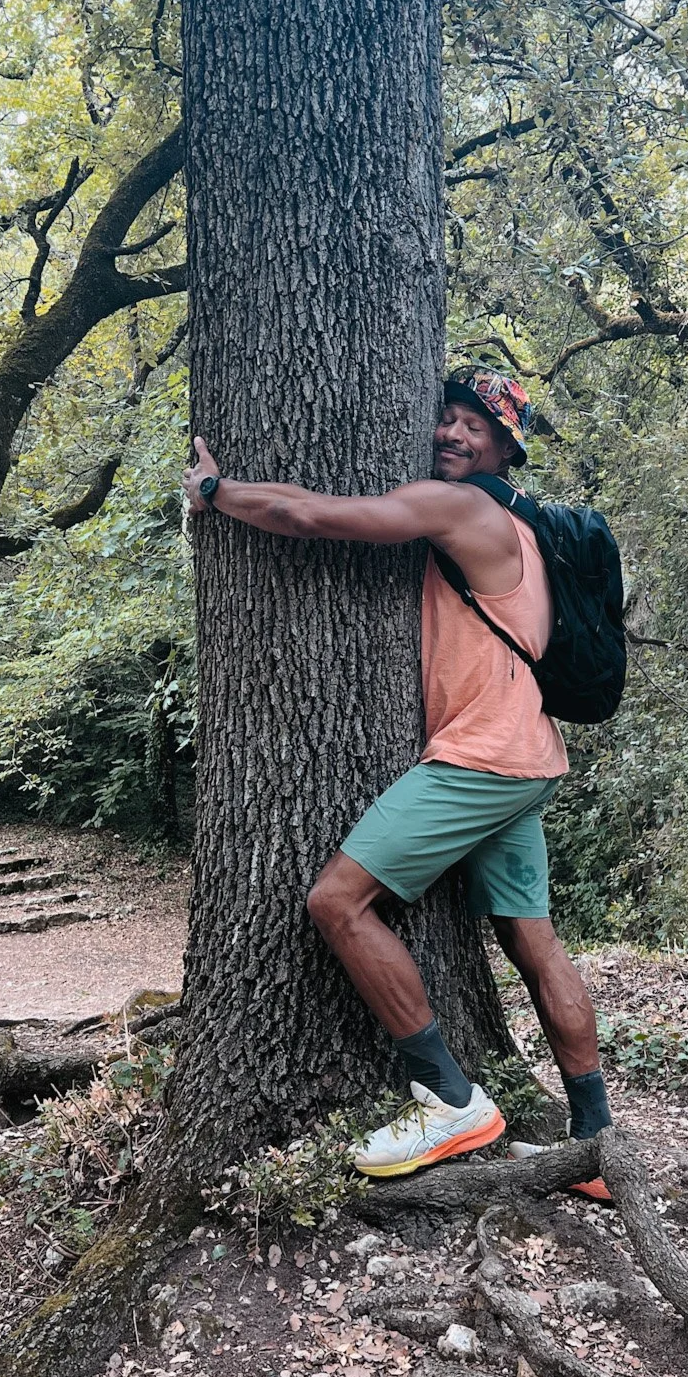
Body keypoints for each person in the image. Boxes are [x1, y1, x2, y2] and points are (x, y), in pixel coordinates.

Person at [183, 367, 612, 1186]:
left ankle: (450, 1100)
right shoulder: (528, 530)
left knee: (335, 902)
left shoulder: (459, 507)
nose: (453, 434)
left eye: (474, 426)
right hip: (529, 755)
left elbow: (308, 514)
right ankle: (594, 1146)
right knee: (531, 940)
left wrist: (215, 487)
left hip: (481, 756)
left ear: (505, 445)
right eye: (445, 420)